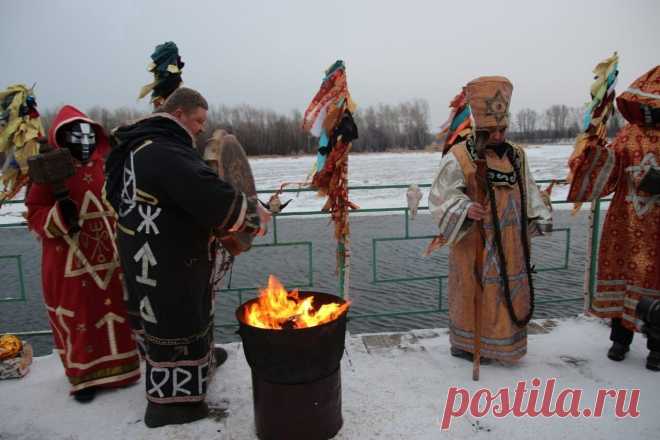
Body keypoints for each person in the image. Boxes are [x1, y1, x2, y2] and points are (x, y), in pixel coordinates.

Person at [105, 87, 269, 427]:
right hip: (166, 260)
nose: (200, 129)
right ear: (178, 114)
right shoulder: (163, 151)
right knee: (175, 319)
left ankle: (202, 364)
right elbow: (206, 192)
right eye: (198, 121)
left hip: (148, 253)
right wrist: (251, 212)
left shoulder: (140, 147)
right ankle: (172, 405)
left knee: (175, 315)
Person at [428, 76, 552, 364]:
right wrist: (464, 208)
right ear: (478, 128)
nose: (498, 136)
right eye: (491, 130)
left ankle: (506, 346)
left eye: (503, 129)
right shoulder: (459, 155)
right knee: (475, 290)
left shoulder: (517, 156)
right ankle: (467, 345)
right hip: (475, 242)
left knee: (509, 290)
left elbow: (528, 186)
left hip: (513, 243)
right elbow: (439, 196)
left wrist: (539, 213)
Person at [25, 105, 140, 402]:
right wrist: (59, 214)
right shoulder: (49, 171)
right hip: (71, 259)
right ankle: (84, 378)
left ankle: (124, 370)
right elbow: (35, 212)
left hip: (110, 257)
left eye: (90, 135)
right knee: (81, 314)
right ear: (63, 138)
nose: (85, 142)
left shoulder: (105, 164)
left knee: (116, 310)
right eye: (78, 136)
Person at [567, 66, 660, 371]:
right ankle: (620, 340)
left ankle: (657, 347)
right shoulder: (628, 136)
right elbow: (608, 176)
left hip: (657, 228)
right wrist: (593, 155)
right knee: (625, 282)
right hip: (626, 224)